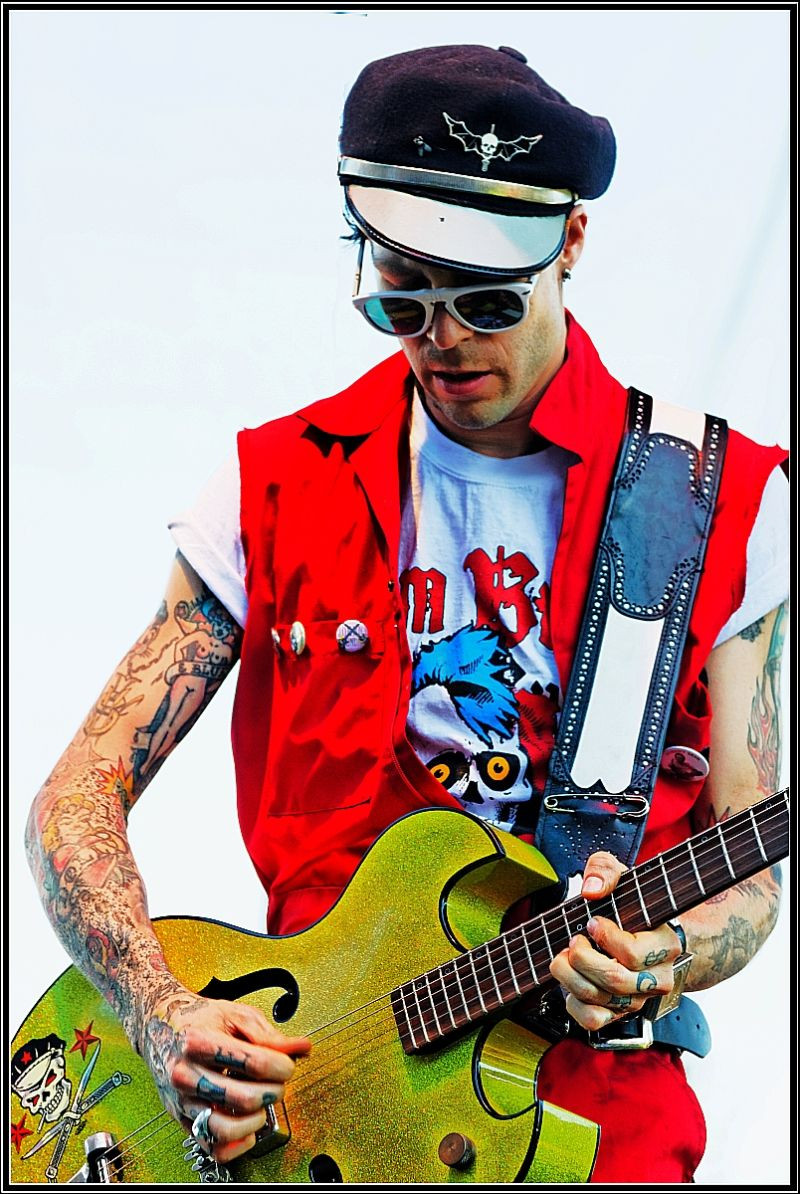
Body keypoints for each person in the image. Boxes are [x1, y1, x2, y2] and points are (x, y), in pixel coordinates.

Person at [24, 44, 788, 1183]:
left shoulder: (716, 501)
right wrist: (159, 1008)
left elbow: (752, 864)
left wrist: (664, 952)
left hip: (598, 1122)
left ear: (572, 242)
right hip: (308, 1121)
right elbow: (73, 798)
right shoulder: (271, 483)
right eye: (401, 297)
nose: (441, 339)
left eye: (485, 301)